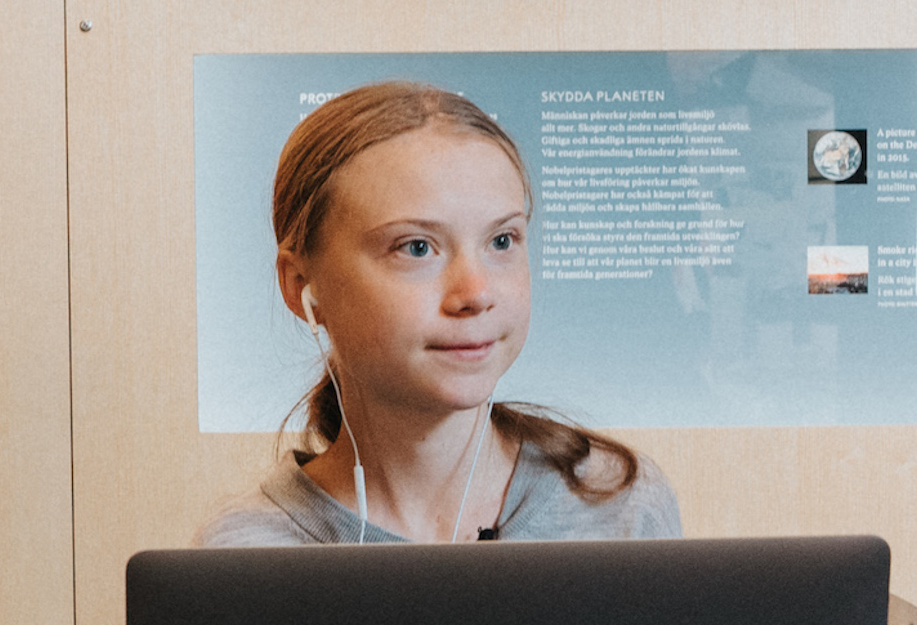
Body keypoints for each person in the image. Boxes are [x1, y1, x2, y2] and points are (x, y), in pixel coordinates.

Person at [198, 81, 682, 546]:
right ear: (303, 286)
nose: (475, 293)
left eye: (501, 241)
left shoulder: (619, 507)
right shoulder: (245, 553)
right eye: (416, 247)